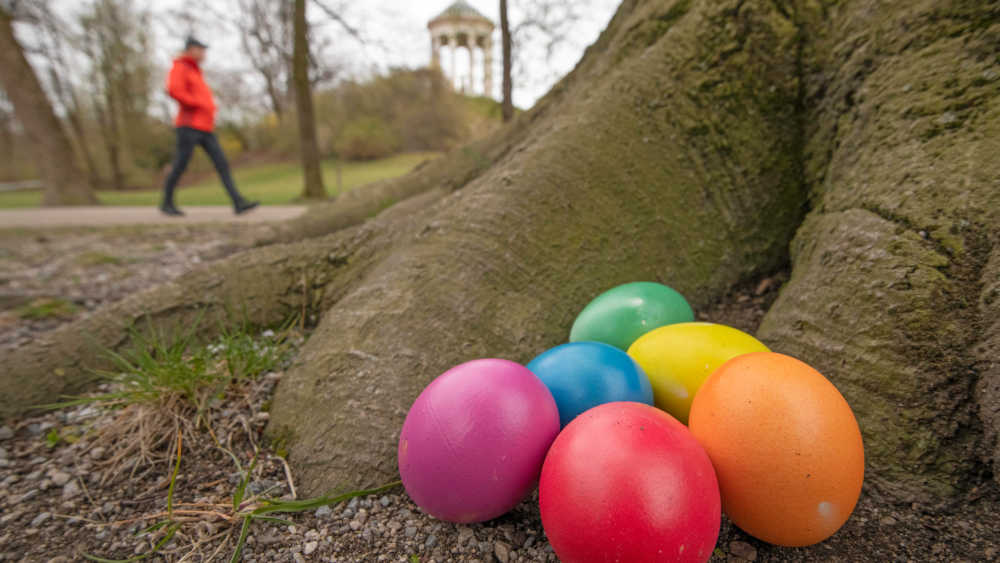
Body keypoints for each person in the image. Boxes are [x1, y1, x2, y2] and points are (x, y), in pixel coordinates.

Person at [160, 37, 258, 216]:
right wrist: (196, 103)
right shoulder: (181, 66)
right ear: (191, 50)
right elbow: (174, 90)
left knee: (222, 163)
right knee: (180, 165)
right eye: (201, 50)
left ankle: (238, 202)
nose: (204, 54)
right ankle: (166, 202)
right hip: (188, 126)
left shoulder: (196, 71)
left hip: (205, 127)